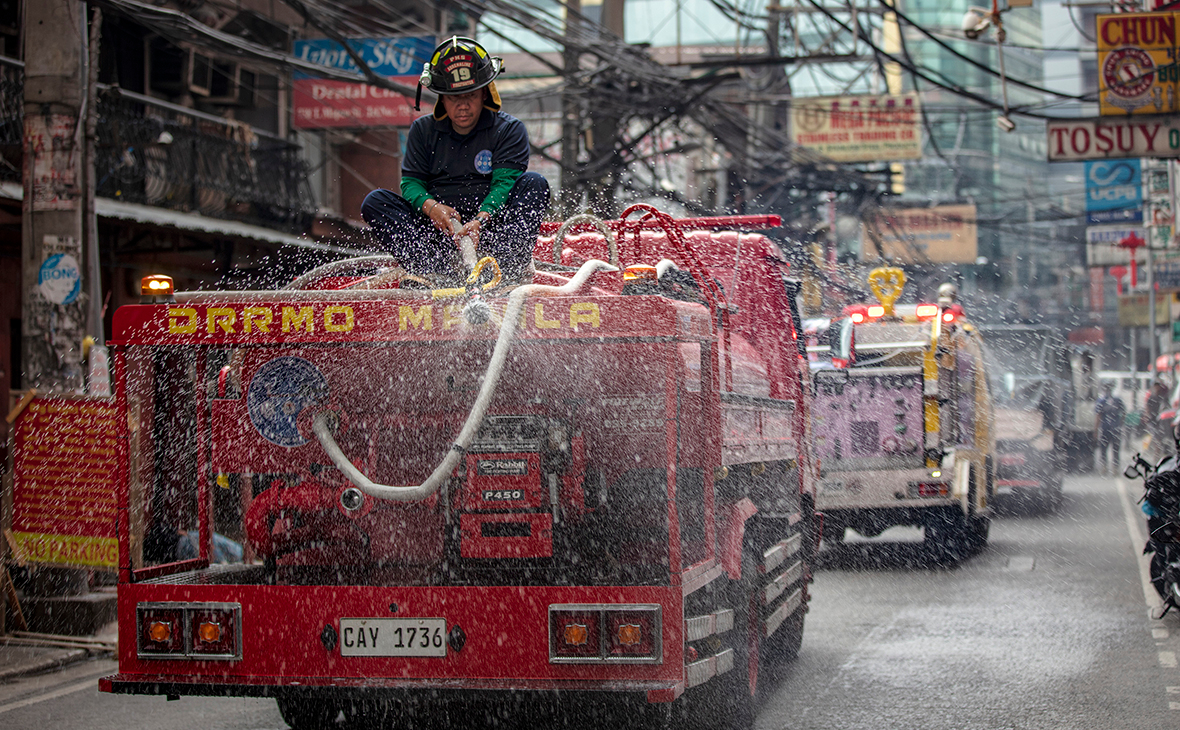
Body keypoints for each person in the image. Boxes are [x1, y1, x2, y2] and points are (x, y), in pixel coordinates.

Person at [361, 37, 550, 284]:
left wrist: (481, 219)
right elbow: (410, 184)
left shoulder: (508, 129)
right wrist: (432, 208)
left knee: (535, 183)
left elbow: (504, 184)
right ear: (441, 98)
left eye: (470, 95)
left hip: (490, 230)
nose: (462, 106)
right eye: (453, 98)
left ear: (484, 93)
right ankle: (432, 272)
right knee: (375, 202)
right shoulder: (422, 130)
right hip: (437, 235)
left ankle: (505, 273)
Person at [1095, 382, 1126, 474]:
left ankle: (1105, 467)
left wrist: (1096, 430)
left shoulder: (1101, 401)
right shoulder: (1117, 400)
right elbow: (1123, 412)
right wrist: (1120, 423)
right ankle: (1114, 467)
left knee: (1104, 448)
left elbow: (1098, 416)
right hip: (1115, 428)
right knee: (1115, 449)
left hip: (1106, 428)